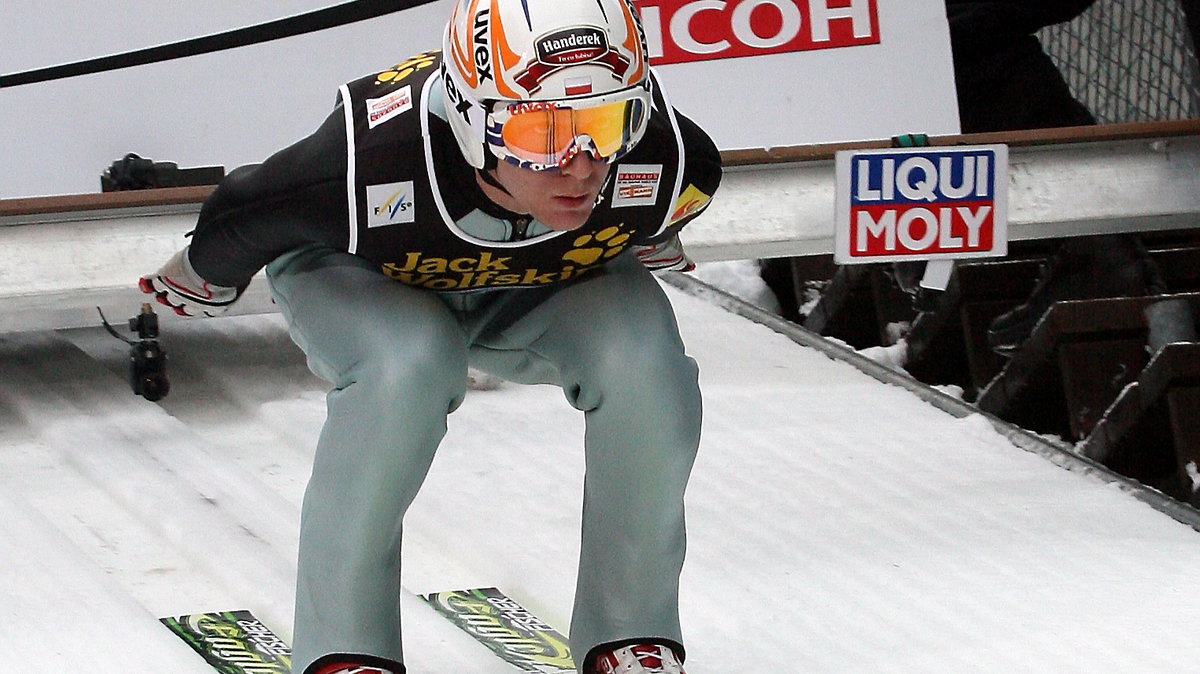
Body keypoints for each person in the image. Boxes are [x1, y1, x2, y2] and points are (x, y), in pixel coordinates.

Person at [139, 2, 721, 673]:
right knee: (407, 365)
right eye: (543, 134)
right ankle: (345, 650)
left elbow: (659, 217)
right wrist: (201, 275)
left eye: (606, 123)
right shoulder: (365, 160)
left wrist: (650, 234)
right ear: (474, 122)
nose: (582, 166)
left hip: (536, 282)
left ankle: (631, 635)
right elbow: (244, 211)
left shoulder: (672, 161)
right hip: (366, 279)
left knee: (647, 362)